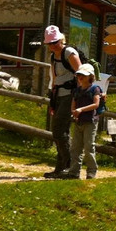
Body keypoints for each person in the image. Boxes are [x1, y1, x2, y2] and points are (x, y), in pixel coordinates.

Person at [43, 25, 81, 179]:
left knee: (59, 130)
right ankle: (61, 167)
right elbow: (55, 79)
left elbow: (81, 75)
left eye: (55, 42)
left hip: (70, 95)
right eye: (50, 43)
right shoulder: (53, 56)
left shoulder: (70, 53)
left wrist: (77, 98)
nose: (53, 46)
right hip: (59, 95)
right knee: (59, 131)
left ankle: (68, 165)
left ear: (61, 39)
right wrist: (52, 100)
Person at [61, 63, 102, 179]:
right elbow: (73, 104)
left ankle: (91, 171)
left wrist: (81, 110)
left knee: (89, 147)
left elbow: (96, 104)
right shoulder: (77, 90)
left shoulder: (95, 89)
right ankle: (74, 172)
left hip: (90, 121)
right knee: (75, 148)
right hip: (78, 121)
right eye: (79, 75)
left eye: (83, 75)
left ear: (90, 76)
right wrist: (74, 112)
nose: (80, 77)